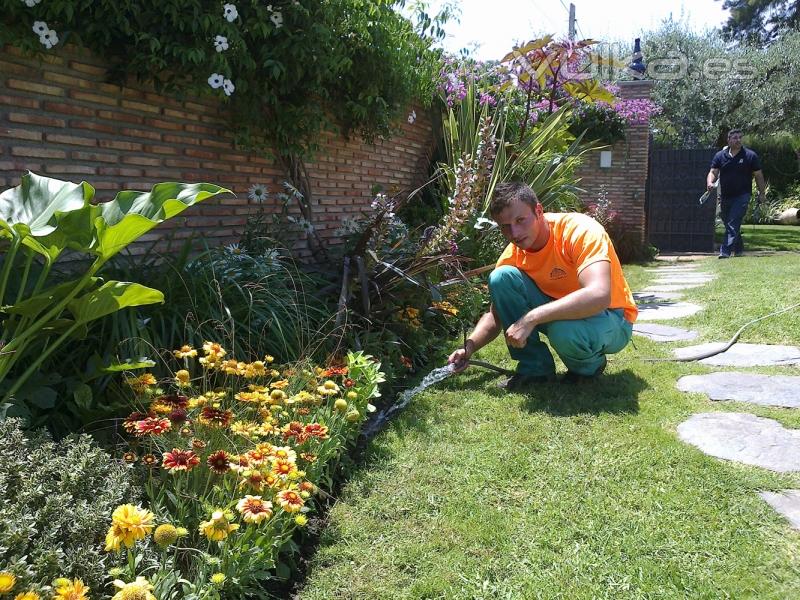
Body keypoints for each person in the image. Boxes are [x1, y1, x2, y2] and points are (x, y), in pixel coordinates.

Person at [447, 181, 638, 390]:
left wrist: (530, 319)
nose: (515, 233)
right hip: (562, 313)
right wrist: (470, 347)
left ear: (538, 211)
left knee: (563, 331)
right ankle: (534, 369)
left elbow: (599, 296)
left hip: (613, 317)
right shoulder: (514, 254)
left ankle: (589, 367)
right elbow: (496, 315)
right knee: (500, 277)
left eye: (521, 220)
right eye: (505, 227)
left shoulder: (579, 230)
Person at [706, 129, 766, 258]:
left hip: (743, 195)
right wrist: (710, 182)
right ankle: (739, 249)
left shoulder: (750, 155)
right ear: (728, 140)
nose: (738, 140)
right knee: (728, 221)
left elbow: (759, 175)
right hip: (725, 196)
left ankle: (725, 251)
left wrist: (762, 193)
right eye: (734, 138)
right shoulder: (720, 155)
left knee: (733, 221)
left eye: (740, 137)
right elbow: (713, 172)